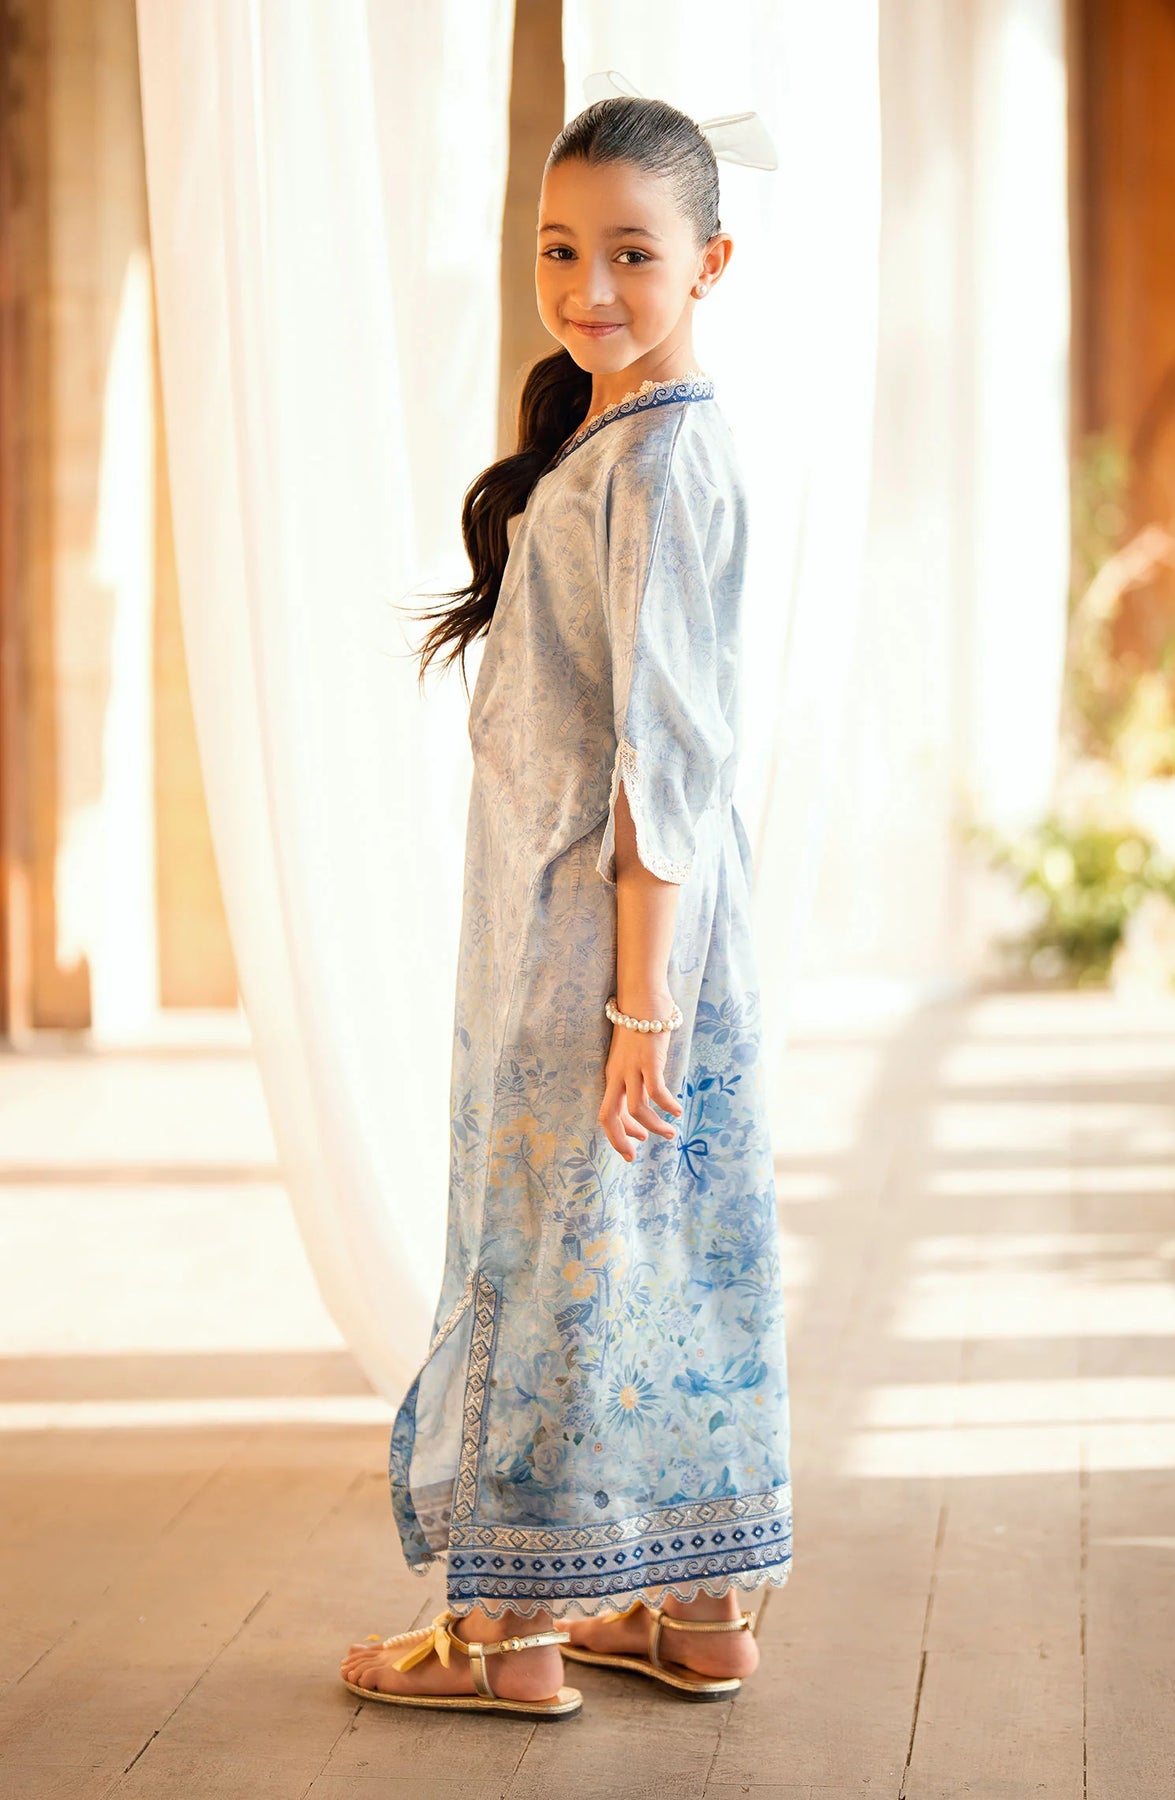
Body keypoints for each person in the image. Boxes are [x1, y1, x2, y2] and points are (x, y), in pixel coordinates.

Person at [341, 81, 791, 1720]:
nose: (588, 288)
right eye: (557, 249)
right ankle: (698, 1612)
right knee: (666, 1255)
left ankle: (504, 1635)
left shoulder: (659, 465)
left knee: (541, 1257)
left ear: (711, 263)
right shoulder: (628, 447)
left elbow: (667, 761)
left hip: (593, 948)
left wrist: (634, 1010)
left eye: (632, 254)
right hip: (636, 943)